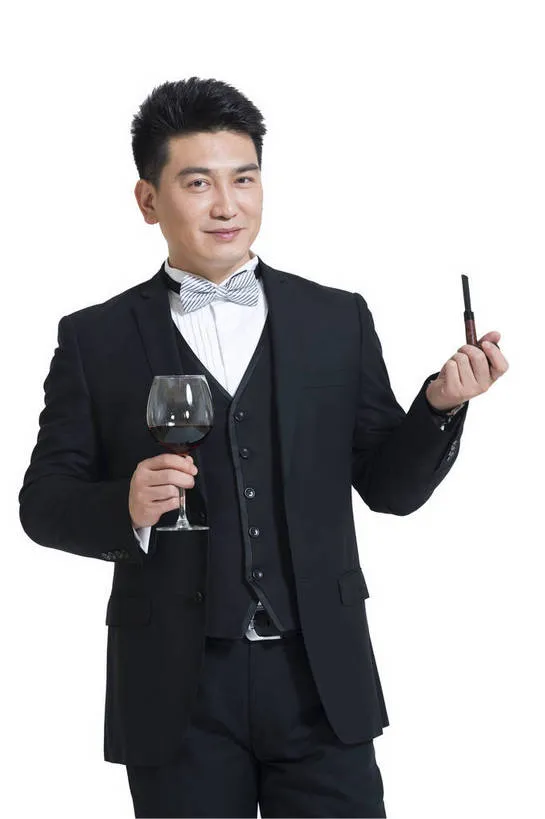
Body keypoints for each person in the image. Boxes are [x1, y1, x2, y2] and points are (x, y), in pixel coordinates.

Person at [18, 76, 509, 819]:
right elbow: (43, 503)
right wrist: (125, 506)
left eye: (243, 179)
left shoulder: (336, 319)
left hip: (321, 677)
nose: (227, 205)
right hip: (175, 690)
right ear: (148, 200)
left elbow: (390, 489)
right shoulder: (95, 337)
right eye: (198, 183)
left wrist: (438, 405)